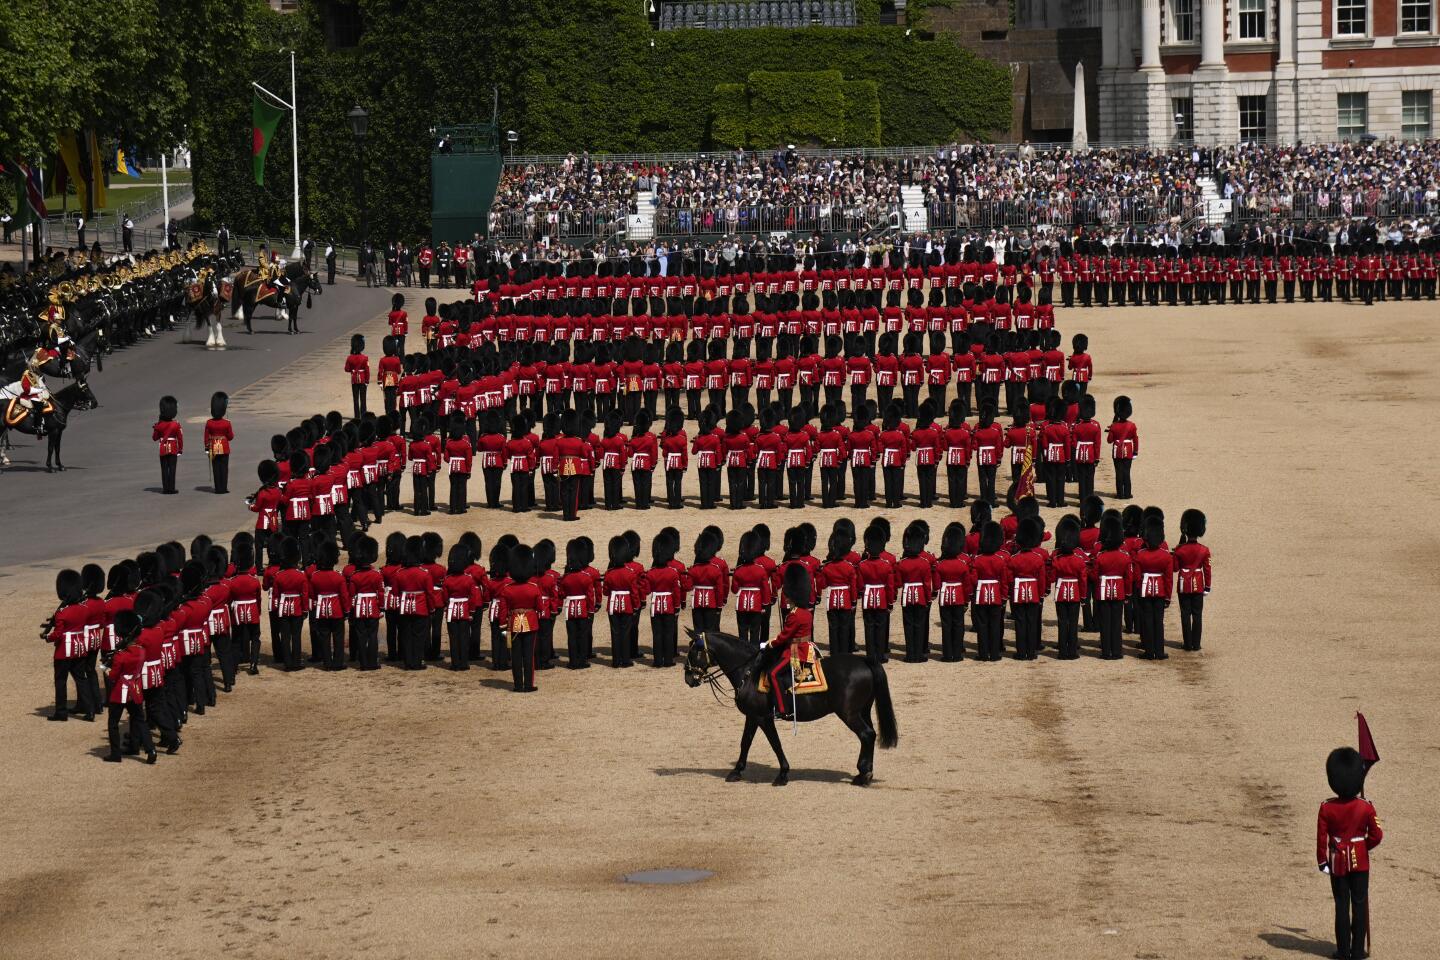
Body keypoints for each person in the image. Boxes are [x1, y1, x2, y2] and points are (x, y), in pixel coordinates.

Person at [1318, 747, 1382, 960]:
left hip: (1337, 861)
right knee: (1360, 904)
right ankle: (1357, 951)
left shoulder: (1326, 808)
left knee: (1341, 905)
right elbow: (1377, 835)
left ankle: (1343, 950)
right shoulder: (1366, 807)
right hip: (1360, 861)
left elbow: (1322, 838)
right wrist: (1363, 847)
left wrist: (1322, 861)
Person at [757, 565, 814, 719]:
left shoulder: (794, 615)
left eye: (788, 596)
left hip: (796, 651)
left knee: (773, 673)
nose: (786, 598)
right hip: (806, 647)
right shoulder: (806, 613)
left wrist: (768, 644)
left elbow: (784, 637)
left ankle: (783, 709)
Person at [102, 612, 157, 763]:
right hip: (135, 690)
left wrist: (105, 668)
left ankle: (115, 754)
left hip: (120, 691)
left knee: (113, 723)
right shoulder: (141, 650)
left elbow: (113, 676)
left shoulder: (121, 655)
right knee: (139, 720)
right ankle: (150, 749)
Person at [45, 569, 97, 721]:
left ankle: (61, 712)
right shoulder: (84, 609)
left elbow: (58, 634)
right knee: (81, 679)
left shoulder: (62, 612)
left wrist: (47, 637)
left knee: (60, 681)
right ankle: (90, 711)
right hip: (79, 648)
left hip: (64, 650)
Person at [498, 544, 542, 691]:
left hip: (511, 626)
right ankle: (528, 684)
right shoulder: (533, 588)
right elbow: (540, 608)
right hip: (530, 623)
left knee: (515, 656)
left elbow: (502, 611)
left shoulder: (506, 589)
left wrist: (503, 628)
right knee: (529, 656)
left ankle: (517, 685)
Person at [1133, 515, 1173, 659]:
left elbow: (1137, 577)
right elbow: (1169, 579)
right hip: (1161, 591)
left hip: (1145, 591)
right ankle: (1160, 651)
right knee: (1159, 622)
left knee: (1148, 621)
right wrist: (1168, 596)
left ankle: (1149, 652)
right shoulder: (1166, 556)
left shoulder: (1140, 555)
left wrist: (1138, 591)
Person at [1173, 508, 1212, 651]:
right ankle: (1196, 643)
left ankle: (1187, 643)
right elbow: (1207, 570)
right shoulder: (1204, 550)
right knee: (1197, 615)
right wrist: (1207, 586)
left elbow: (1175, 568)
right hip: (1198, 584)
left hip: (1184, 584)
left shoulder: (1180, 549)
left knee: (1185, 614)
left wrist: (1178, 548)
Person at [934, 521, 971, 662]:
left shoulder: (940, 565)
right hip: (959, 596)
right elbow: (967, 586)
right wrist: (966, 600)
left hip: (945, 596)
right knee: (958, 624)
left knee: (946, 625)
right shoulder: (962, 565)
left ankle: (947, 654)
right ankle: (957, 653)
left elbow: (937, 585)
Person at [1051, 517, 1087, 659]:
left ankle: (1062, 651)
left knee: (1062, 622)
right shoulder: (1079, 561)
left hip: (1061, 592)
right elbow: (1083, 581)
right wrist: (1083, 597)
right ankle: (1072, 651)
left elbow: (1052, 578)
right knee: (1073, 623)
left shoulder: (1057, 559)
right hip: (1075, 592)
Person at [1107, 395, 1138, 499]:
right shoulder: (1132, 425)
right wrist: (1135, 451)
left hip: (1117, 451)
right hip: (1128, 450)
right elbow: (1135, 439)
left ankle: (1120, 494)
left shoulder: (1114, 425)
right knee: (1127, 472)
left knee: (1118, 473)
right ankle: (1128, 493)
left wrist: (1111, 430)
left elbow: (1109, 440)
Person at [204, 392, 234, 495]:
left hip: (213, 446)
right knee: (224, 468)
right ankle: (224, 488)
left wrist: (207, 448)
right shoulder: (227, 423)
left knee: (215, 467)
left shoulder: (209, 422)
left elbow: (206, 437)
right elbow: (230, 437)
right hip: (224, 446)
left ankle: (218, 488)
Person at [153, 395, 183, 494]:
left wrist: (157, 427)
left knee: (164, 469)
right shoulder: (176, 424)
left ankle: (165, 488)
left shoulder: (159, 425)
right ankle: (172, 488)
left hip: (163, 448)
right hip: (173, 448)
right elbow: (180, 438)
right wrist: (180, 449)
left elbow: (155, 438)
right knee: (172, 469)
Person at [344, 335, 370, 419]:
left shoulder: (349, 358)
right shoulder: (365, 358)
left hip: (354, 379)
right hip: (362, 380)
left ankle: (357, 416)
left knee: (355, 400)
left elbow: (347, 369)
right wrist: (367, 381)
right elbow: (367, 371)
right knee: (363, 400)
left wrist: (353, 370)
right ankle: (363, 415)